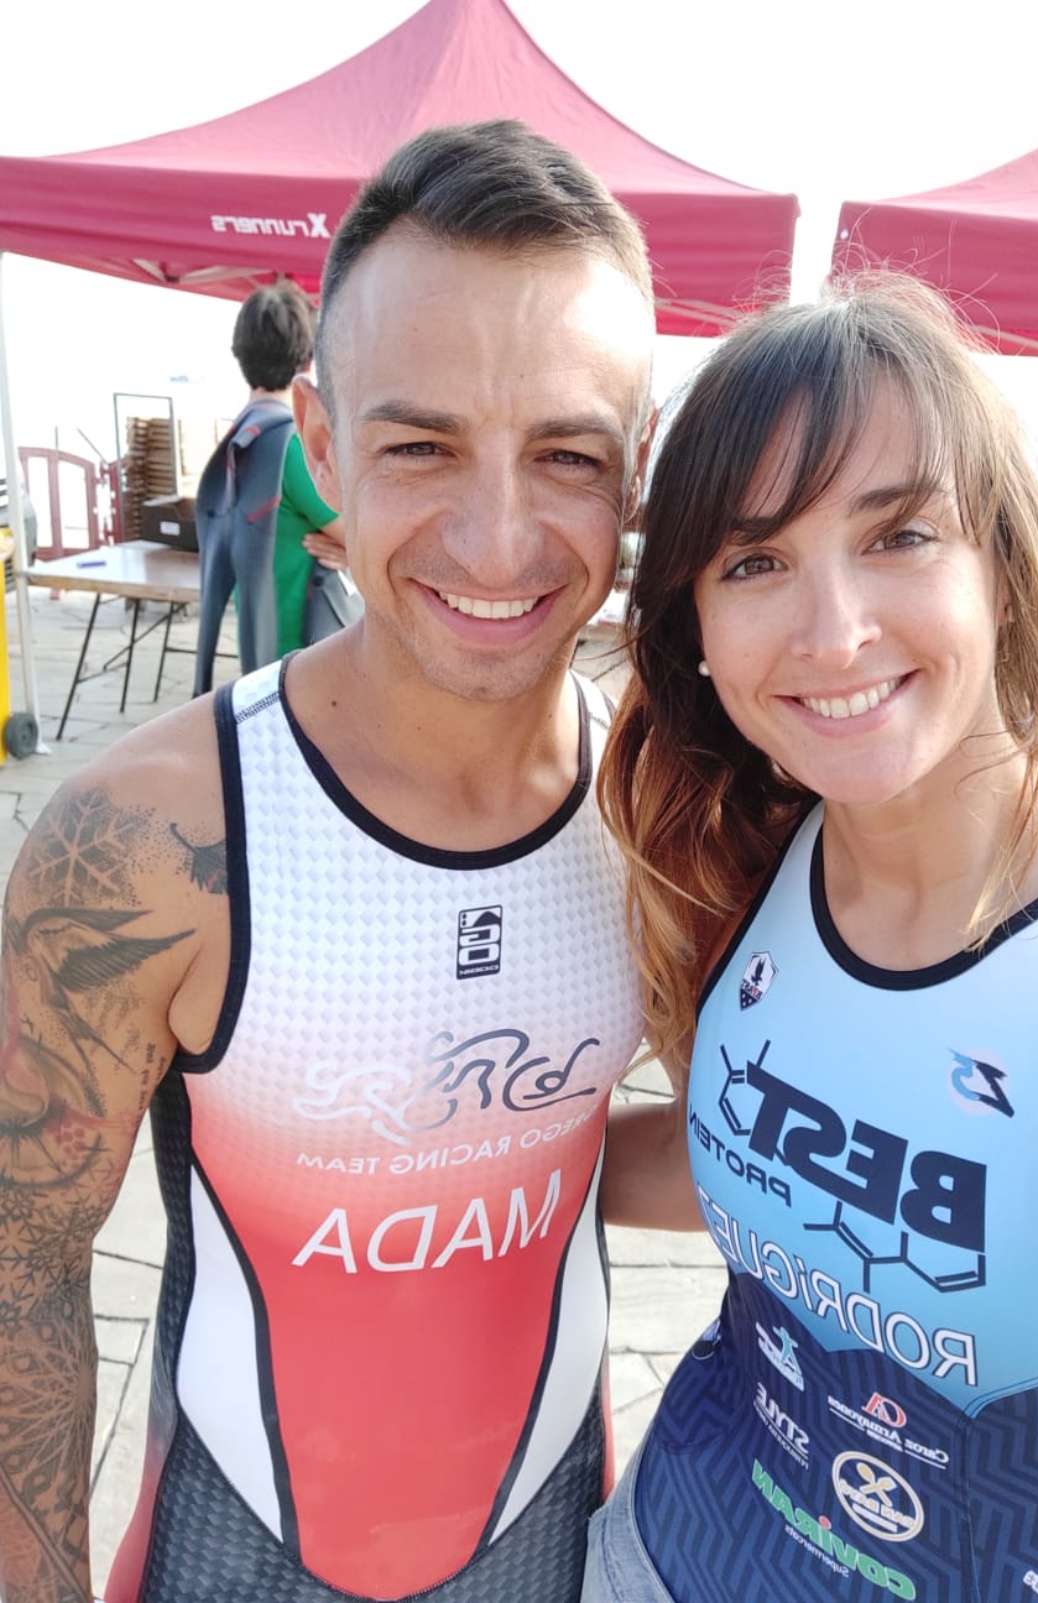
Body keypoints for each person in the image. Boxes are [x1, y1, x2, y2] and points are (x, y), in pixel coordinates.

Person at [0, 119, 655, 1603]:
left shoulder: (665, 808)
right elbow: (23, 1264)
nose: (498, 541)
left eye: (567, 455)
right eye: (422, 445)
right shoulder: (147, 842)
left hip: (551, 1527)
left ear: (637, 468)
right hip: (235, 1548)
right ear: (319, 443)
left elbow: (768, 1128)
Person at [592, 275, 1038, 1603]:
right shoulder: (747, 856)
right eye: (755, 562)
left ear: (1004, 568)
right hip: (656, 1547)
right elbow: (747, 1161)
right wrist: (426, 1165)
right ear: (697, 628)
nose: (835, 631)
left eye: (901, 534)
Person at [192, 279, 348, 692]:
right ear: (311, 360)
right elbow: (371, 540)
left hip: (261, 647)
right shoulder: (292, 447)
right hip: (308, 655)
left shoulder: (239, 440)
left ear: (239, 355)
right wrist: (351, 549)